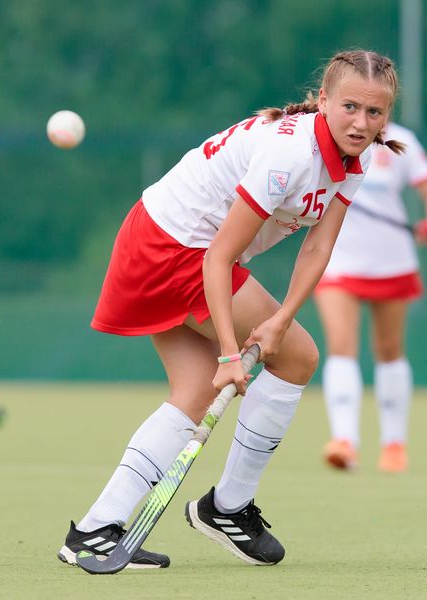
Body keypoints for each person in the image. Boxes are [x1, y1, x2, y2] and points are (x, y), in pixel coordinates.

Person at [57, 50, 404, 570]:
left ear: (386, 115)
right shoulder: (290, 155)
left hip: (176, 244)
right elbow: (218, 257)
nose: (361, 123)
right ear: (324, 100)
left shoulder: (360, 157)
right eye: (350, 107)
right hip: (172, 247)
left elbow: (317, 247)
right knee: (299, 358)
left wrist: (280, 319)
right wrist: (228, 353)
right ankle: (227, 507)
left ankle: (93, 530)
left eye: (374, 112)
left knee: (196, 393)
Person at [314, 122, 427, 474]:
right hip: (337, 259)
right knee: (340, 345)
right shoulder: (322, 135)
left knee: (389, 350)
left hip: (392, 261)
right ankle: (344, 441)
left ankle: (394, 445)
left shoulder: (401, 141)